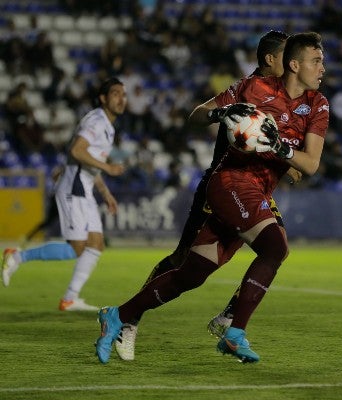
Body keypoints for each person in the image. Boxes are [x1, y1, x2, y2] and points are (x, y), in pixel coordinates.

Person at [95, 31, 328, 364]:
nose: (323, 68)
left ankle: (118, 315)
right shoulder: (251, 89)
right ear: (287, 62)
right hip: (228, 181)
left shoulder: (318, 104)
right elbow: (198, 115)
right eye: (317, 60)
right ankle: (232, 331)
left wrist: (279, 149)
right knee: (274, 246)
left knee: (192, 273)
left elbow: (310, 163)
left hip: (259, 189)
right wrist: (225, 114)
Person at [2, 77, 127, 311]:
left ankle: (70, 298)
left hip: (86, 187)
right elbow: (77, 150)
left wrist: (105, 192)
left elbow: (90, 161)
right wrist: (109, 168)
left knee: (96, 244)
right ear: (103, 98)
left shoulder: (108, 127)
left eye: (124, 94)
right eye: (115, 93)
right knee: (77, 248)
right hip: (74, 187)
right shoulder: (97, 120)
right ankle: (16, 256)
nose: (121, 98)